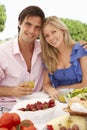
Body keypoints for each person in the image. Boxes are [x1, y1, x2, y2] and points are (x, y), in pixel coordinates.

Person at [0, 5, 45, 109]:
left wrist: (80, 46)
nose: (32, 31)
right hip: (8, 108)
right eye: (28, 24)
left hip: (36, 108)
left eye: (37, 27)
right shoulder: (3, 52)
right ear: (19, 23)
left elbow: (64, 46)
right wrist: (12, 90)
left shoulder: (44, 49)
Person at [40, 16, 87, 100]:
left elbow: (85, 84)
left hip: (81, 101)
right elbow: (46, 84)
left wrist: (60, 89)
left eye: (53, 32)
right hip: (60, 101)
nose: (51, 38)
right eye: (46, 35)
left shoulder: (80, 50)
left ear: (62, 30)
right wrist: (50, 89)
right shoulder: (49, 56)